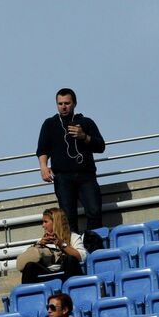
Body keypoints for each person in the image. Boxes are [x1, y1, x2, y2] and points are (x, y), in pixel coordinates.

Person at [36, 87, 106, 232]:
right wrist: (43, 167)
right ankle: (74, 251)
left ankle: (93, 246)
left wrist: (84, 137)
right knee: (67, 217)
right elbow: (42, 149)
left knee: (94, 211)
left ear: (74, 103)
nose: (63, 107)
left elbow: (100, 146)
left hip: (86, 175)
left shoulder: (86, 122)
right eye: (60, 103)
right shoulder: (50, 124)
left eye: (67, 103)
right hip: (62, 177)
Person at [17, 207, 87, 284]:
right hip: (47, 274)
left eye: (45, 222)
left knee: (70, 259)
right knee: (29, 266)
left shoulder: (73, 237)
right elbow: (21, 264)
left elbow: (82, 257)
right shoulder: (40, 242)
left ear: (56, 223)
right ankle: (29, 295)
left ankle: (70, 289)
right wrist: (38, 245)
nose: (43, 225)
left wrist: (62, 244)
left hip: (67, 272)